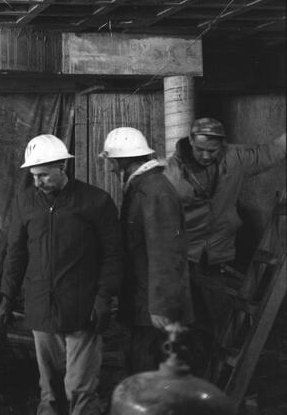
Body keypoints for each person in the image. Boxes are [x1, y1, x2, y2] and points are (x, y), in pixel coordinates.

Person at [0, 134, 122, 415]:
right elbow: (15, 252)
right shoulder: (25, 201)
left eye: (43, 175)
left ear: (62, 167)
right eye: (33, 176)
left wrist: (104, 297)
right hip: (41, 305)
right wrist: (7, 294)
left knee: (79, 388)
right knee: (49, 390)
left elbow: (114, 255)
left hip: (82, 307)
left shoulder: (96, 202)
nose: (37, 182)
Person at [163, 117, 286, 372]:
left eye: (212, 151)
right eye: (200, 150)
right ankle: (189, 375)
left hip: (218, 254)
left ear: (222, 146)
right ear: (190, 142)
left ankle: (215, 372)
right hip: (184, 257)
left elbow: (270, 152)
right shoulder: (172, 172)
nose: (206, 156)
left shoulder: (234, 158)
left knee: (220, 319)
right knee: (187, 324)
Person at [99, 127, 193, 375]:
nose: (110, 167)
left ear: (123, 160)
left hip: (151, 309)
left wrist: (160, 306)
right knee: (139, 364)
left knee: (148, 368)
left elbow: (166, 251)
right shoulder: (143, 187)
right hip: (141, 304)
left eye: (111, 161)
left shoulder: (154, 190)